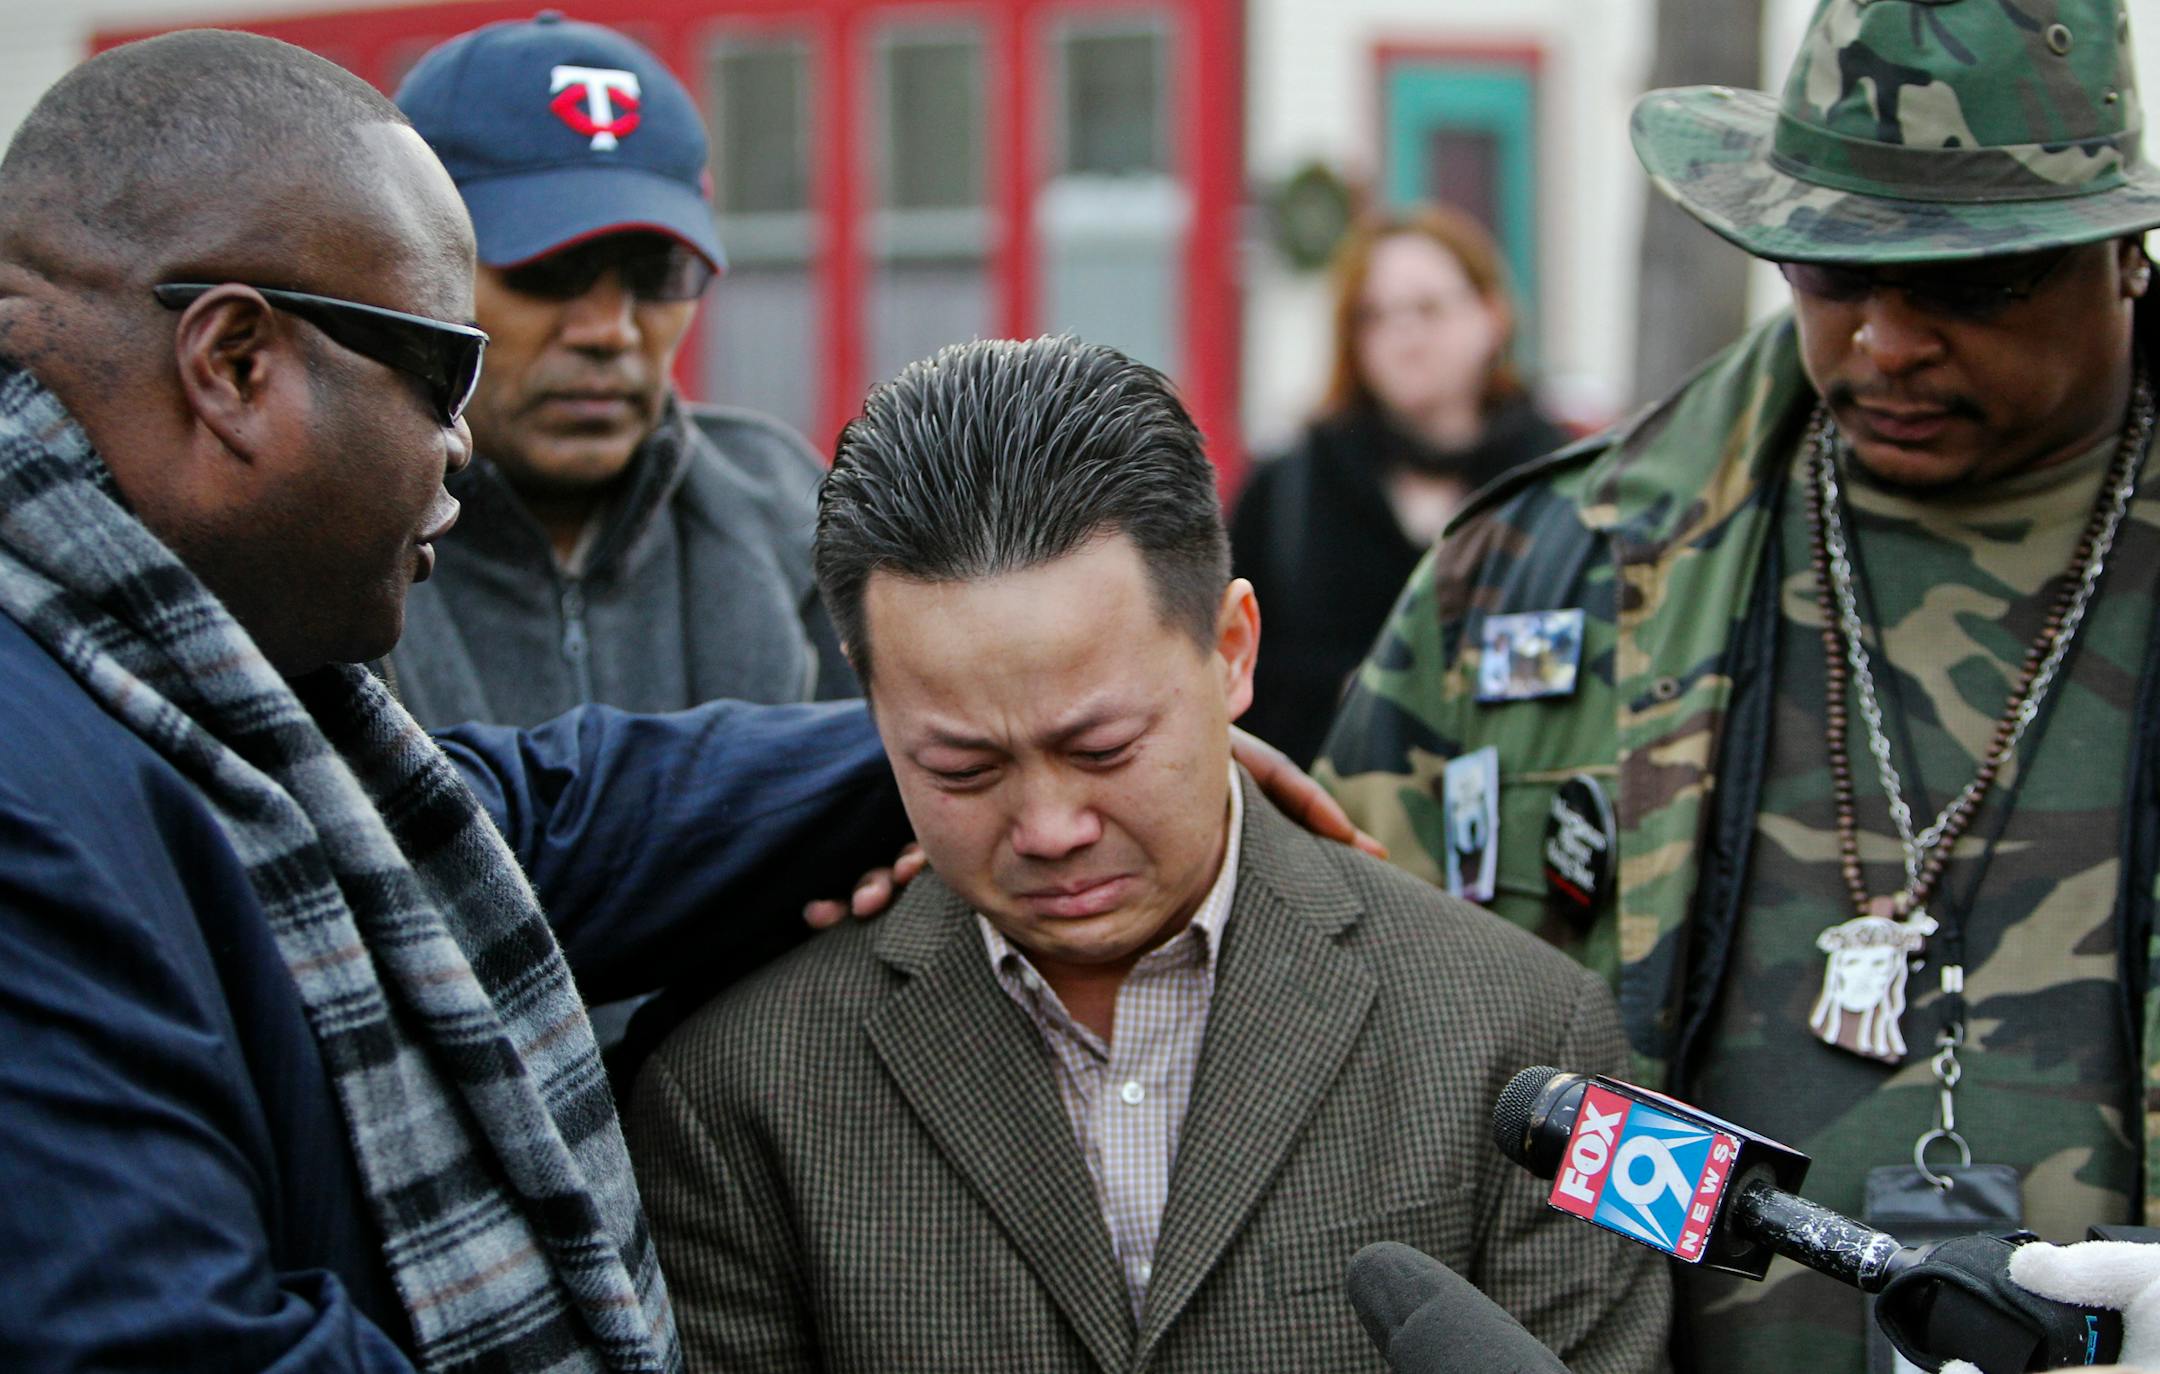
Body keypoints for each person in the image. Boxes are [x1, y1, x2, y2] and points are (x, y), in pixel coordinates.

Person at [1318, 2, 2160, 1370]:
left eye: (1966, 283)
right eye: (1829, 274)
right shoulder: (1541, 576)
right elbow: (1326, 982)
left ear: (2123, 254)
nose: (1885, 343)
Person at [623, 336, 1670, 1373]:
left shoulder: (1523, 1037)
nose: (1049, 826)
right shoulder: (739, 1095)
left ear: (1232, 650)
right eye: (963, 768)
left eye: (1104, 748)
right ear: (870, 696)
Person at [383, 13, 853, 729]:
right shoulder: (332, 545)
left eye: (657, 273)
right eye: (549, 270)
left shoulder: (786, 508)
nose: (610, 330)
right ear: (417, 266)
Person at [1229, 207, 1567, 765]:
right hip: (1323, 824)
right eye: (1374, 316)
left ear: (1492, 315)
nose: (1403, 335)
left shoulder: (1555, 481)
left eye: (1428, 308)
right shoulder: (1291, 487)